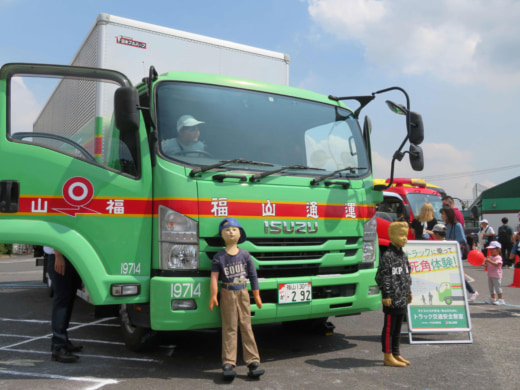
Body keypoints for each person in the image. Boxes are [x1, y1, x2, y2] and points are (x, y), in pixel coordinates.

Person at [209, 217, 264, 380]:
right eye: (227, 230)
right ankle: (228, 362)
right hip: (227, 292)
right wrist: (213, 295)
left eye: (234, 229)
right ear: (222, 234)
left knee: (246, 326)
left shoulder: (246, 255)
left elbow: (253, 276)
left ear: (240, 233)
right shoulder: (219, 257)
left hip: (243, 292)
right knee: (229, 327)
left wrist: (257, 295)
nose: (231, 232)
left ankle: (253, 361)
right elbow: (213, 277)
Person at [375, 221, 412, 368]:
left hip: (402, 297)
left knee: (398, 328)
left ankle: (396, 353)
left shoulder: (402, 255)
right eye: (400, 235)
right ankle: (387, 355)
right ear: (392, 235)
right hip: (392, 298)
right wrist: (386, 294)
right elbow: (383, 277)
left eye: (406, 235)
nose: (404, 238)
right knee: (389, 328)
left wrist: (409, 291)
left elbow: (407, 274)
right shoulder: (388, 256)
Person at [44, 246, 83, 363]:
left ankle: (63, 341)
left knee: (69, 298)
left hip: (71, 256)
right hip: (58, 256)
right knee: (62, 300)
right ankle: (58, 346)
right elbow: (54, 231)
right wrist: (58, 255)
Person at [432, 224, 478, 302]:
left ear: (437, 234)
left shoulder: (439, 244)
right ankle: (470, 291)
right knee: (457, 279)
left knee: (456, 279)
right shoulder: (451, 243)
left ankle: (471, 291)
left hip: (445, 266)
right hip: (451, 265)